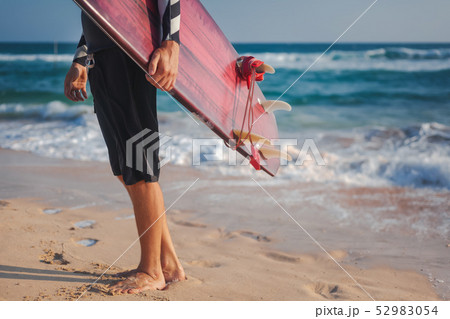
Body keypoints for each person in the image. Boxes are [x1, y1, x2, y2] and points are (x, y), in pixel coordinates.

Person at [64, 0, 185, 294]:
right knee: (124, 168)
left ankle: (151, 270)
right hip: (102, 58)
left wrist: (171, 42)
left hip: (130, 50)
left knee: (139, 166)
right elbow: (99, 9)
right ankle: (167, 263)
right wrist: (82, 58)